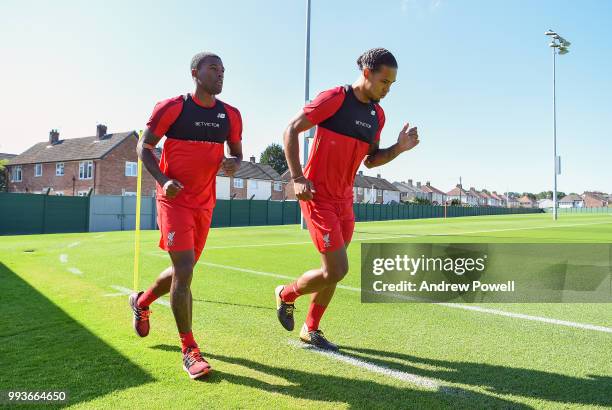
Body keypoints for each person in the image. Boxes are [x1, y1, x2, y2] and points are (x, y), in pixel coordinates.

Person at [275, 48, 420, 350]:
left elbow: (372, 160)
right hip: (317, 196)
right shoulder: (334, 98)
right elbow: (290, 129)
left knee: (334, 272)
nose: (387, 89)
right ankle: (286, 295)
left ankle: (310, 329)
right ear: (367, 73)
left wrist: (399, 148)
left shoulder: (377, 115)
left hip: (344, 200)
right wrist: (298, 178)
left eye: (392, 84)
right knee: (337, 269)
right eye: (384, 81)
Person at [129, 51, 243, 379]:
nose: (220, 75)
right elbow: (144, 147)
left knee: (184, 268)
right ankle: (189, 349)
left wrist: (233, 163)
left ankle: (142, 301)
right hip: (173, 201)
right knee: (184, 270)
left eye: (223, 70)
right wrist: (164, 181)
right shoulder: (172, 108)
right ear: (195, 72)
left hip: (205, 203)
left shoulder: (231, 115)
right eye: (213, 69)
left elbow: (236, 154)